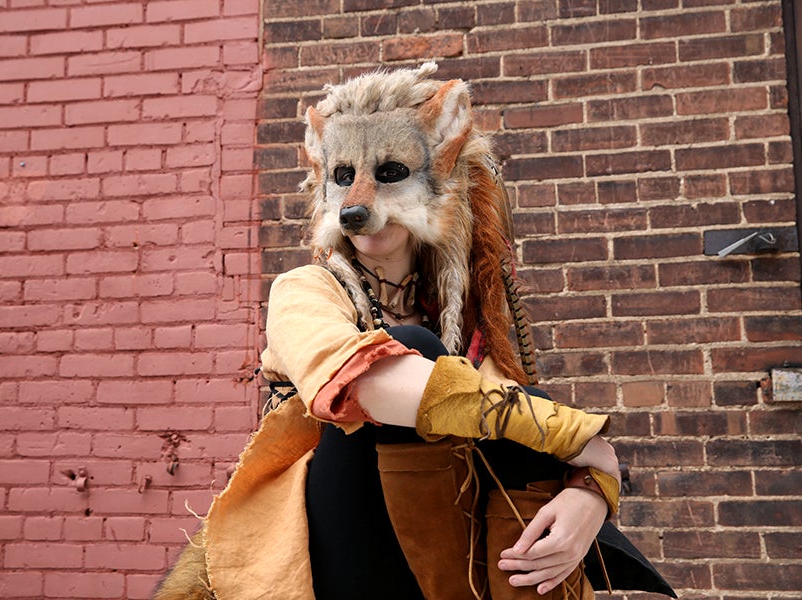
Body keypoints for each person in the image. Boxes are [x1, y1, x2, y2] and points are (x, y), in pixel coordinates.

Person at [154, 63, 624, 600]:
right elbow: (367, 385)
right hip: (334, 552)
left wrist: (590, 494)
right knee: (416, 356)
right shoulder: (304, 290)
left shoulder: (464, 324)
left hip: (453, 541)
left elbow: (526, 435)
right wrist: (581, 438)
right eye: (342, 176)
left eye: (391, 172)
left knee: (523, 403)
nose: (358, 201)